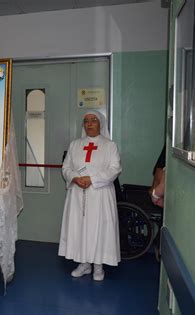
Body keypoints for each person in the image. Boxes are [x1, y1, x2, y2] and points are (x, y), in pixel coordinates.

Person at [58, 110, 122, 281]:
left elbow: (114, 169)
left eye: (93, 120)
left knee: (98, 228)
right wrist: (75, 178)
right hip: (78, 194)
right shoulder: (75, 144)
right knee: (79, 228)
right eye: (86, 121)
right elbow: (66, 167)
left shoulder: (110, 145)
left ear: (100, 123)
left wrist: (92, 179)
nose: (89, 124)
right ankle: (84, 263)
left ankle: (99, 266)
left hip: (100, 195)